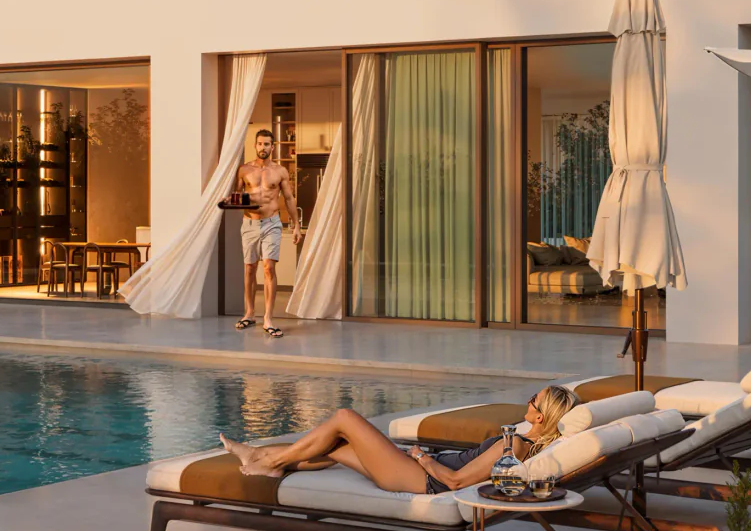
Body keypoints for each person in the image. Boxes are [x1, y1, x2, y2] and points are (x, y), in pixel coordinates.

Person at [219, 385, 579, 495]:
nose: (528, 399)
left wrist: (422, 458)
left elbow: (455, 481)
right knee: (337, 448)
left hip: (422, 479)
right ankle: (262, 458)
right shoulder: (521, 436)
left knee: (345, 419)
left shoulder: (515, 446)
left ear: (541, 415)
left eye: (534, 399)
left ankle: (267, 460)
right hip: (422, 470)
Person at [232, 128, 301, 338]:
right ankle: (249, 313)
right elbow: (236, 196)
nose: (263, 148)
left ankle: (268, 319)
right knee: (249, 268)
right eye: (260, 144)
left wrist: (296, 225)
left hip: (272, 223)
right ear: (255, 145)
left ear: (273, 146)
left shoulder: (280, 171)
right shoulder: (244, 170)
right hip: (250, 224)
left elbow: (289, 199)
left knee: (269, 268)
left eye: (267, 144)